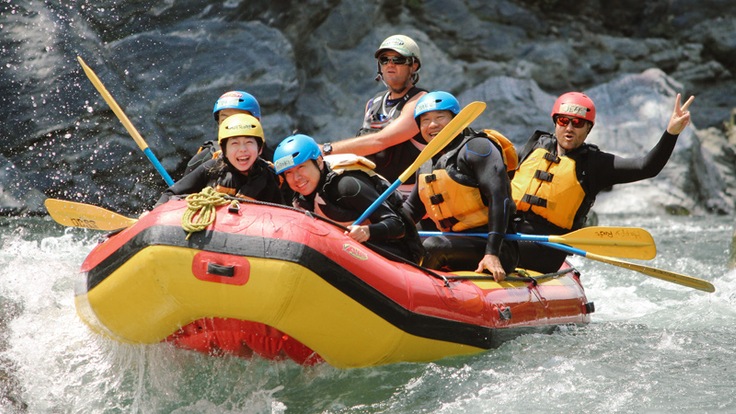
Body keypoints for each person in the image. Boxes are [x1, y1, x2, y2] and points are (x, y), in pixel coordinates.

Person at [512, 91, 695, 273]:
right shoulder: (531, 149)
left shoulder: (594, 164)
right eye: (563, 121)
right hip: (508, 235)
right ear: (555, 122)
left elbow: (646, 167)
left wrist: (671, 133)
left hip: (547, 249)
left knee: (499, 252)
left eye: (577, 123)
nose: (569, 128)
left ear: (588, 128)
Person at [401, 91, 519, 281]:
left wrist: (492, 253)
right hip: (453, 239)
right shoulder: (425, 162)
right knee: (397, 242)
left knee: (433, 247)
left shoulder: (478, 148)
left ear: (456, 120)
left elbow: (500, 198)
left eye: (440, 117)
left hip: (494, 245)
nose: (432, 125)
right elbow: (411, 209)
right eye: (425, 120)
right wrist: (376, 229)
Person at [273, 134, 424, 263]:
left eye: (301, 167)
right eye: (288, 173)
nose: (296, 178)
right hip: (350, 256)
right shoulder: (299, 199)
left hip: (400, 253)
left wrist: (367, 231)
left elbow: (398, 225)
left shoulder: (347, 185)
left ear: (319, 162)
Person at [324, 34, 427, 191]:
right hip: (375, 190)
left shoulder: (420, 101)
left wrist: (326, 150)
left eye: (398, 59)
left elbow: (381, 141)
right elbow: (364, 147)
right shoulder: (373, 103)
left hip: (410, 195)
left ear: (413, 66)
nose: (390, 64)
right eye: (384, 60)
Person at [156, 113, 284, 206]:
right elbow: (171, 193)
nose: (242, 149)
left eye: (249, 142)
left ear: (260, 149)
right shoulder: (211, 168)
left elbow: (285, 213)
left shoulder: (268, 177)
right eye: (234, 144)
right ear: (224, 150)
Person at [184, 90, 274, 175]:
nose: (231, 124)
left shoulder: (275, 159)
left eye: (237, 118)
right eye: (224, 120)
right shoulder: (204, 158)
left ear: (256, 121)